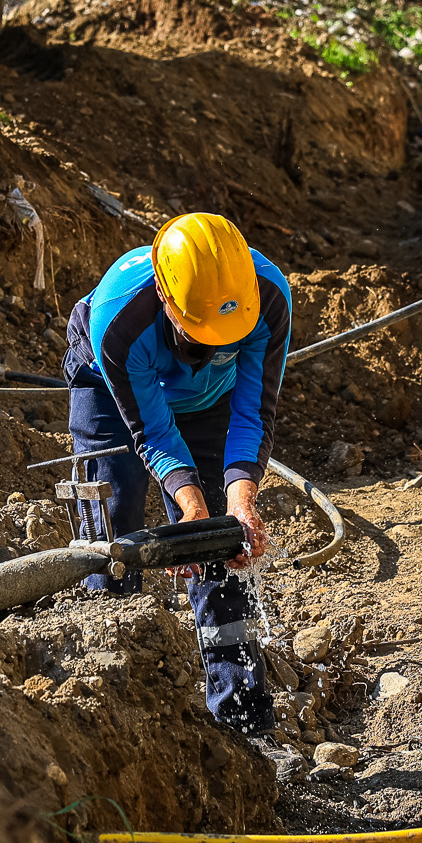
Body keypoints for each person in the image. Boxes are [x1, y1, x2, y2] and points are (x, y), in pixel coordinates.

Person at [62, 213, 291, 737]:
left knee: (218, 548)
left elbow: (254, 413)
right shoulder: (121, 321)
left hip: (211, 402)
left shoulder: (269, 299)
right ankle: (107, 700)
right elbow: (154, 432)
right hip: (111, 389)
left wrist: (238, 500)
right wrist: (188, 502)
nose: (211, 353)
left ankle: (242, 722)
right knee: (114, 522)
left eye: (225, 340)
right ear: (168, 300)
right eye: (199, 340)